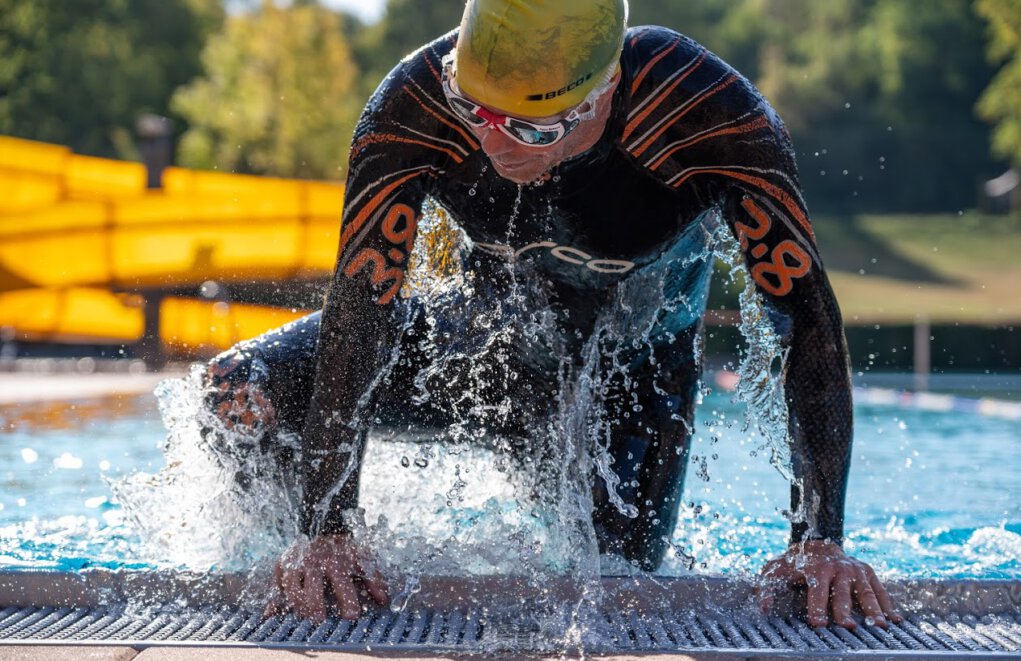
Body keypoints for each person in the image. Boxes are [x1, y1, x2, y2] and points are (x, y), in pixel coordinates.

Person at [206, 0, 901, 629]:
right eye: (474, 107)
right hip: (484, 344)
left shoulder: (707, 114)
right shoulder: (415, 107)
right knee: (235, 392)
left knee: (616, 588)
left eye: (526, 127)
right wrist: (325, 528)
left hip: (636, 375)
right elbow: (361, 314)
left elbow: (805, 320)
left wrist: (819, 538)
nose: (491, 141)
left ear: (602, 96)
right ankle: (288, 575)